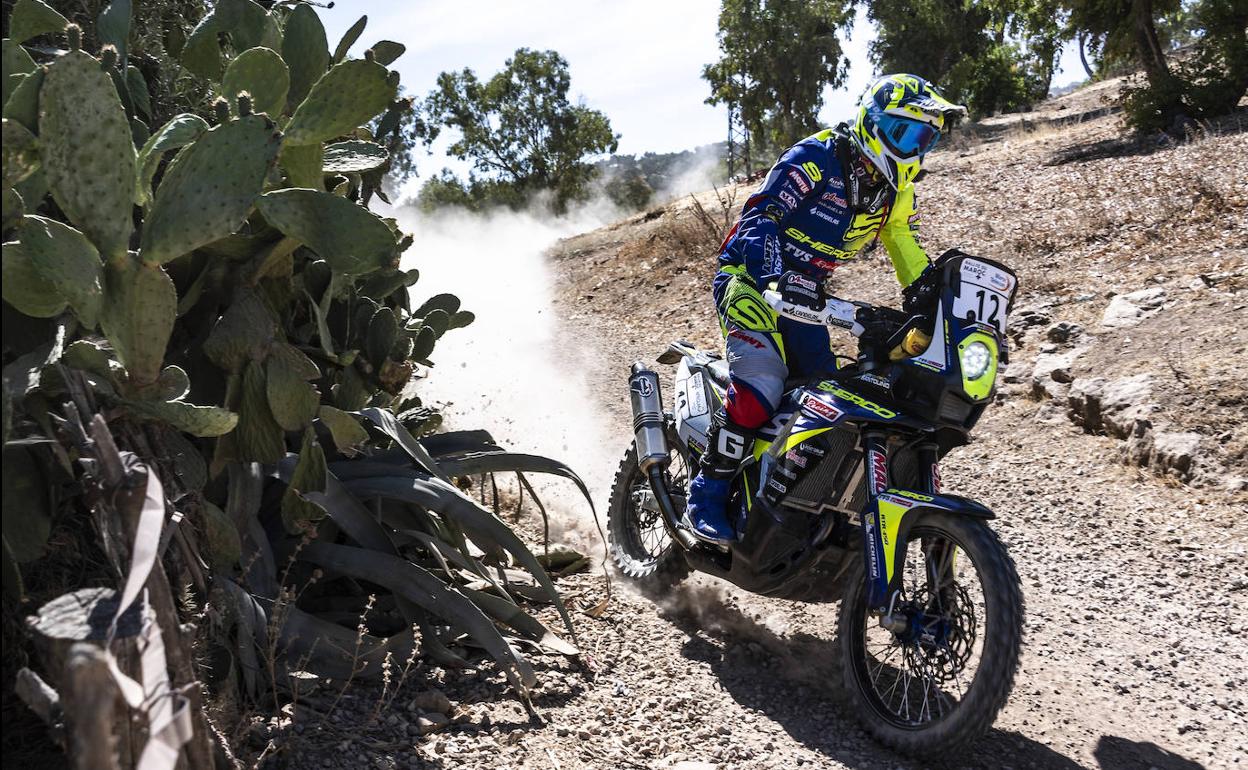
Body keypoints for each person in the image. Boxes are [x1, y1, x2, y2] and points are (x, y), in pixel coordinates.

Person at [686, 73, 967, 543]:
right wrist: (775, 274)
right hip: (751, 280)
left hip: (808, 297)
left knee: (824, 399)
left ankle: (782, 496)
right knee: (761, 386)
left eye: (926, 137)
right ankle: (708, 487)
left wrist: (932, 295)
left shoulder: (895, 189)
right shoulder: (817, 157)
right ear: (873, 123)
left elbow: (900, 238)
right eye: (905, 132)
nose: (914, 147)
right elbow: (762, 216)